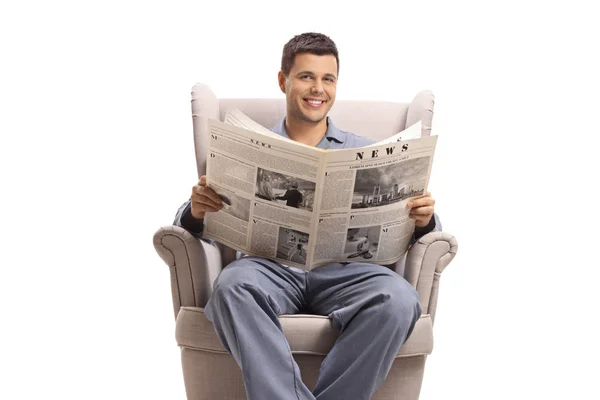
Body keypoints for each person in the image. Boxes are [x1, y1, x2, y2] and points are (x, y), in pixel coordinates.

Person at [174, 32, 440, 400]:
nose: (318, 89)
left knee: (399, 300)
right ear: (283, 81)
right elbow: (187, 222)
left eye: (327, 79)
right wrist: (196, 210)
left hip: (348, 272)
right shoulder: (248, 144)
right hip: (269, 267)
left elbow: (421, 228)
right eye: (306, 76)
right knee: (231, 288)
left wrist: (425, 218)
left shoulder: (367, 150)